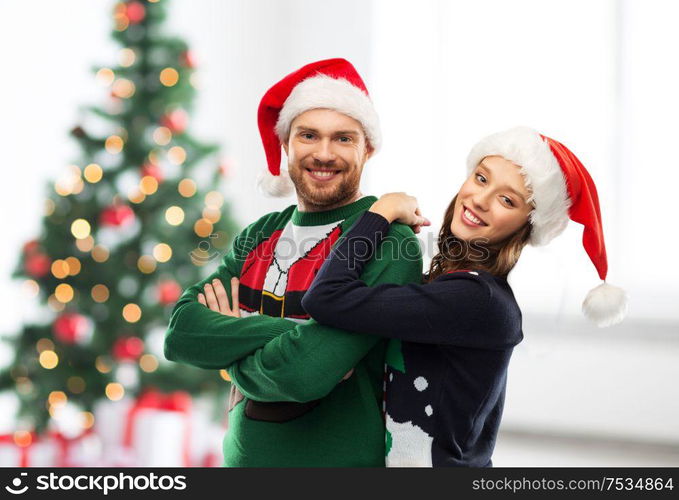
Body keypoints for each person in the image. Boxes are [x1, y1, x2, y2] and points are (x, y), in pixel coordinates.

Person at [300, 126, 629, 467]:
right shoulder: (451, 287)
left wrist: (381, 213)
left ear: (525, 225)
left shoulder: (475, 300)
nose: (480, 200)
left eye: (507, 200)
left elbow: (325, 297)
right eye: (482, 178)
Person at [163, 58, 423, 467]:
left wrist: (230, 348)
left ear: (367, 149)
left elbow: (305, 374)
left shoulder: (388, 241)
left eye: (343, 139)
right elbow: (181, 334)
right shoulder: (258, 234)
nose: (323, 154)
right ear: (286, 144)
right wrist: (299, 334)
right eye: (308, 135)